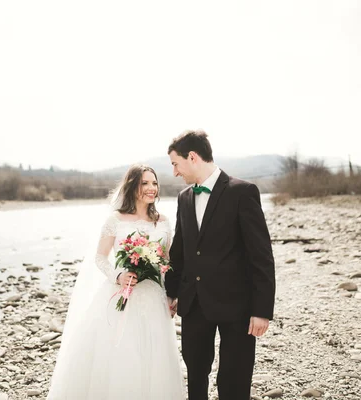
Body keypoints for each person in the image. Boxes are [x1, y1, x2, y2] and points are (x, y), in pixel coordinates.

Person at [46, 164, 186, 400]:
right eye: (145, 183)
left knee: (154, 354)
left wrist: (172, 293)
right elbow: (100, 257)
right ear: (133, 186)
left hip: (153, 296)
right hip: (122, 295)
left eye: (154, 183)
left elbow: (168, 261)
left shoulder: (162, 221)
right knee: (121, 353)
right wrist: (118, 276)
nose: (152, 188)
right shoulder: (116, 219)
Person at [165, 130, 276, 400]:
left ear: (192, 157)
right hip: (194, 304)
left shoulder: (242, 192)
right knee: (195, 371)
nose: (175, 172)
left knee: (235, 378)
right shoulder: (184, 198)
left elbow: (260, 256)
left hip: (236, 306)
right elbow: (180, 251)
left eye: (175, 164)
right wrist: (172, 291)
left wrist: (262, 310)